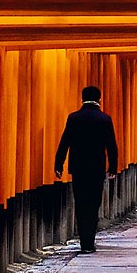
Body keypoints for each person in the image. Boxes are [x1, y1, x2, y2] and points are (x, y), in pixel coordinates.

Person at [54, 85, 119, 253]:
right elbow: (111, 145)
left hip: (78, 168)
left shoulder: (74, 118)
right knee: (93, 203)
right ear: (99, 99)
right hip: (96, 168)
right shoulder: (104, 119)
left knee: (81, 203)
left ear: (82, 98)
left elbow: (64, 142)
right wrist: (113, 167)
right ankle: (90, 242)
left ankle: (84, 243)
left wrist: (58, 164)